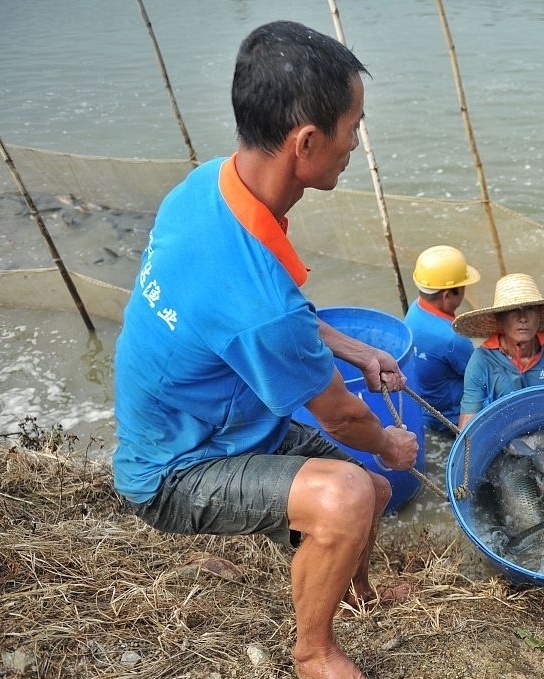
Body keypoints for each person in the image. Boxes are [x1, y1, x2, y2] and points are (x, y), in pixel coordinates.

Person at [111, 21, 419, 679]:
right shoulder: (259, 301)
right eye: (352, 126)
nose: (355, 143)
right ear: (307, 142)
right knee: (351, 491)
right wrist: (390, 443)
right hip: (176, 465)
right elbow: (339, 415)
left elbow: (275, 316)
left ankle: (352, 592)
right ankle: (313, 651)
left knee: (374, 492)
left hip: (218, 418)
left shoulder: (208, 185)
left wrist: (355, 349)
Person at [452, 272, 544, 427]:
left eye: (530, 309)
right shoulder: (482, 360)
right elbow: (469, 416)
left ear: (540, 315)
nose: (523, 318)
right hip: (502, 431)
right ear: (500, 319)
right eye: (513, 310)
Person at [403, 245, 481, 435]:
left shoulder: (415, 309)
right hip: (451, 418)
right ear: (447, 295)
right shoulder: (453, 338)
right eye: (462, 289)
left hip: (424, 411)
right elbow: (481, 376)